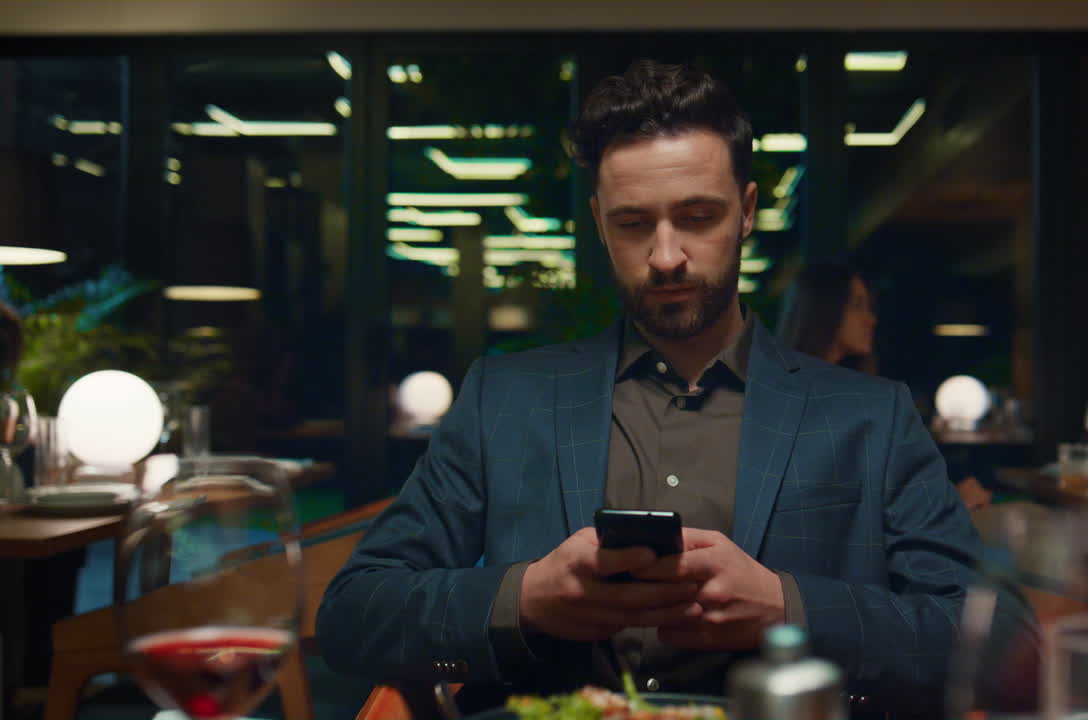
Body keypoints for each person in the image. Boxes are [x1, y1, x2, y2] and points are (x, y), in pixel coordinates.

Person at [318, 59, 1030, 716]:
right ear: (599, 223)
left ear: (747, 211)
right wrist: (525, 598)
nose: (666, 256)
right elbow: (354, 614)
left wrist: (790, 608)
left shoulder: (869, 416)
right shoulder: (506, 397)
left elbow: (1002, 640)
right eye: (633, 224)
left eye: (697, 216)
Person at [777, 264, 993, 512]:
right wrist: (950, 504)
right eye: (858, 306)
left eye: (869, 307)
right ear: (822, 311)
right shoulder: (801, 399)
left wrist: (945, 498)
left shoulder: (855, 394)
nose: (871, 319)